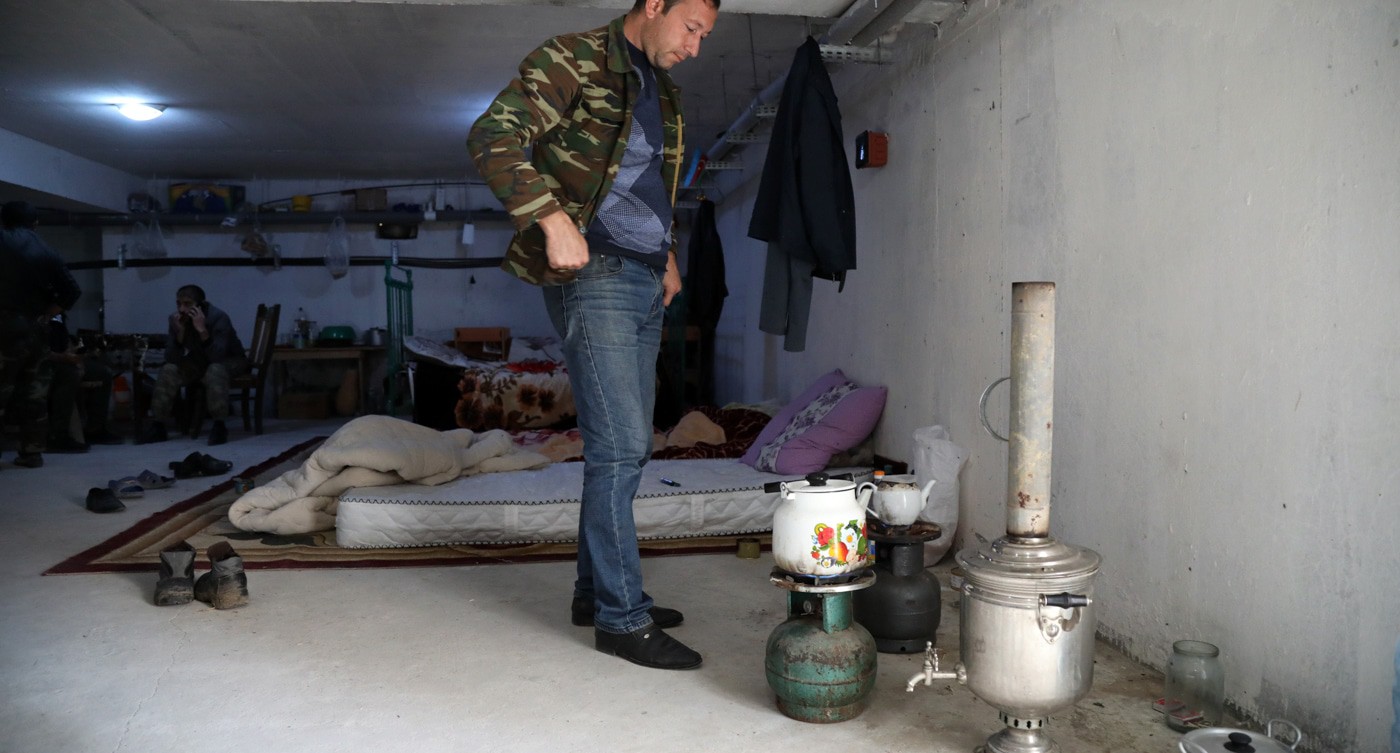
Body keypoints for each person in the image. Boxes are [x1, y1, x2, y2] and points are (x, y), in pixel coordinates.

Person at [468, 0, 719, 670]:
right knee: (621, 446)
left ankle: (593, 593)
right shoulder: (574, 58)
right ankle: (621, 618)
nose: (695, 47)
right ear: (655, 4)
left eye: (704, 35)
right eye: (691, 28)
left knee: (624, 450)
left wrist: (667, 254)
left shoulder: (662, 90)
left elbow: (649, 187)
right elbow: (492, 134)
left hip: (645, 277)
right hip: (596, 273)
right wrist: (551, 220)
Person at [0, 200, 82, 469]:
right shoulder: (48, 251)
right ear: (35, 223)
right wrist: (45, 315)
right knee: (34, 395)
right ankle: (32, 452)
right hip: (36, 331)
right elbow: (72, 292)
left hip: (4, 330)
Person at [138, 285, 248, 447]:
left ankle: (219, 425)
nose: (181, 309)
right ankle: (158, 425)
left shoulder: (218, 317)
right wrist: (180, 334)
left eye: (187, 304)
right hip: (200, 359)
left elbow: (217, 356)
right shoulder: (176, 320)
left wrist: (202, 330)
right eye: (179, 304)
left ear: (200, 305)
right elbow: (171, 358)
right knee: (169, 369)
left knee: (215, 370)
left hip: (230, 359)